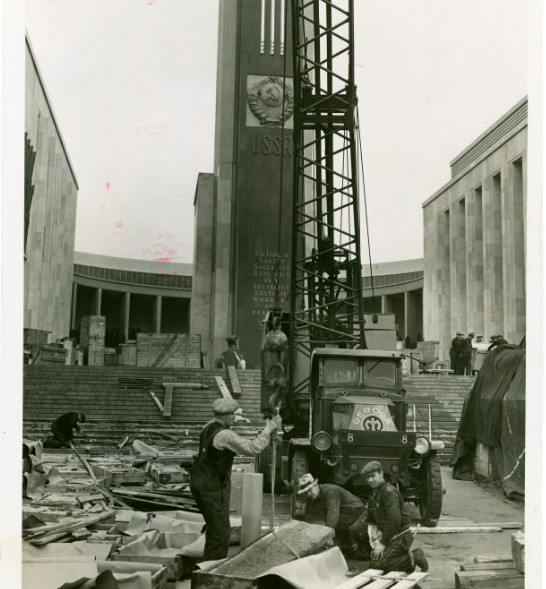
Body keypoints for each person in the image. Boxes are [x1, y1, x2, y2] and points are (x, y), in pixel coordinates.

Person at [189, 397, 281, 561]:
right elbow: (253, 448)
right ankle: (210, 575)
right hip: (211, 486)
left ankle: (210, 568)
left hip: (201, 481)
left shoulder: (209, 427)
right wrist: (268, 429)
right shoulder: (225, 435)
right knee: (219, 534)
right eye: (232, 415)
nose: (234, 418)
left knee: (218, 530)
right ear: (224, 416)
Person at [361, 461, 428, 574]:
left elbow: (394, 520)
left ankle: (414, 556)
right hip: (389, 534)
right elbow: (371, 517)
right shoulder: (375, 492)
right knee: (373, 562)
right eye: (367, 477)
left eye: (373, 476)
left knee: (376, 565)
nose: (370, 480)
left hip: (400, 536)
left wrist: (382, 543)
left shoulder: (388, 493)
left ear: (381, 474)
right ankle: (402, 559)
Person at [297, 473, 371, 559]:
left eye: (310, 490)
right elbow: (326, 518)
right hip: (346, 519)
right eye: (306, 492)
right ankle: (352, 548)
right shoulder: (315, 499)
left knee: (355, 530)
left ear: (316, 485)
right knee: (338, 548)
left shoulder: (330, 491)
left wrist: (327, 535)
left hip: (361, 514)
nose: (309, 494)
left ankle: (368, 551)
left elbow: (333, 515)